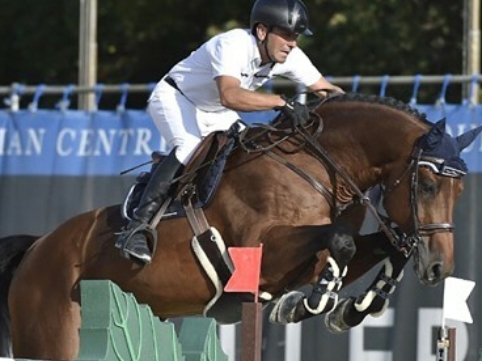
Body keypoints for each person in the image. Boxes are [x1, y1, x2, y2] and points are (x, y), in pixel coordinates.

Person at [116, 0, 345, 265]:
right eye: (285, 34)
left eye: (295, 36)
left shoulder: (290, 57)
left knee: (248, 151)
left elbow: (328, 92)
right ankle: (137, 227)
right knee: (189, 147)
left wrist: (361, 110)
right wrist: (281, 102)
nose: (292, 43)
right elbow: (229, 95)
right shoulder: (232, 45)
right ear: (261, 31)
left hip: (214, 110)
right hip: (177, 98)